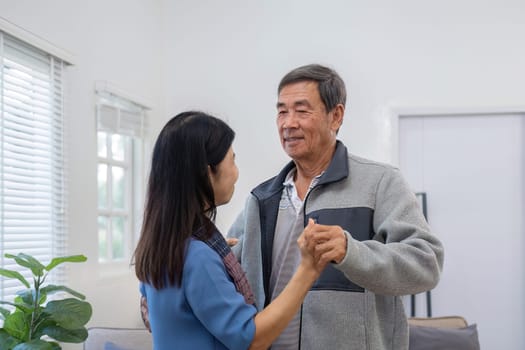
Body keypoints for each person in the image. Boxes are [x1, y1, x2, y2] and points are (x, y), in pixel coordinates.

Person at [227, 64, 445, 350]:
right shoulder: (261, 200)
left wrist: (350, 252)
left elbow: (426, 263)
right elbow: (229, 276)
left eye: (302, 111)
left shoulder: (380, 183)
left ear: (336, 116)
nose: (288, 123)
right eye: (282, 111)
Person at [133, 111, 327, 350]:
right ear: (207, 172)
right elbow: (251, 339)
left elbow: (154, 309)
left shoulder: (161, 244)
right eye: (232, 161)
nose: (236, 173)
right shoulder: (197, 257)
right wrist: (308, 269)